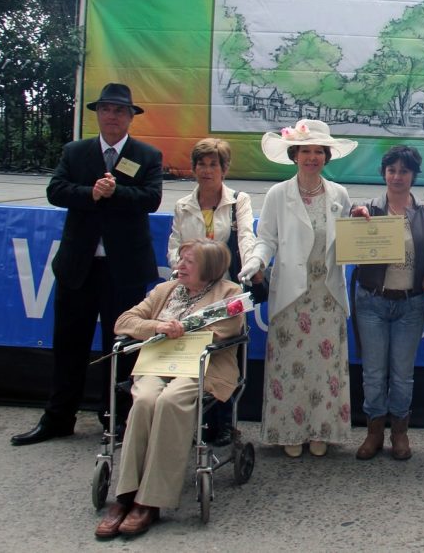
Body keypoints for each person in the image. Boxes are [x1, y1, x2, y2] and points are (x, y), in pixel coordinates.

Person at [11, 83, 163, 446]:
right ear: (98, 114)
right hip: (79, 266)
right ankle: (59, 417)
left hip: (122, 268)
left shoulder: (146, 154)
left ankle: (119, 418)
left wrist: (116, 193)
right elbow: (55, 190)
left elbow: (151, 199)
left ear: (130, 117)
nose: (113, 116)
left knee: (123, 345)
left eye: (120, 111)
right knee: (69, 343)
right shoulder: (76, 152)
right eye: (107, 109)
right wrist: (90, 194)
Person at [93, 239, 244, 538]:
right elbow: (124, 321)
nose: (180, 264)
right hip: (157, 364)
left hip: (202, 368)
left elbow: (227, 330)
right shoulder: (165, 290)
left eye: (189, 260)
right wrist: (157, 327)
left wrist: (182, 328)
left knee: (171, 401)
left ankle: (149, 502)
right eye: (181, 259)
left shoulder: (229, 293)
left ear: (209, 268)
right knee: (146, 399)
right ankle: (126, 496)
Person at [238, 119, 357, 458]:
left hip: (328, 295)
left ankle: (322, 429)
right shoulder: (278, 194)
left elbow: (349, 241)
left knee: (324, 368)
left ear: (327, 156)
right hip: (291, 294)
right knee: (289, 366)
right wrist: (256, 262)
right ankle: (289, 430)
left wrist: (362, 220)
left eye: (319, 151)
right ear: (294, 154)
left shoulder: (339, 195)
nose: (312, 157)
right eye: (306, 150)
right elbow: (267, 240)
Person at [349, 145, 424, 460]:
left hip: (410, 304)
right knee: (374, 372)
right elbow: (348, 244)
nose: (397, 176)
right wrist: (354, 222)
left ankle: (400, 432)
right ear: (383, 174)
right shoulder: (366, 210)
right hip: (371, 303)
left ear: (414, 175)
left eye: (404, 171)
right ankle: (374, 430)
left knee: (403, 373)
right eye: (391, 170)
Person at [168, 137, 262, 446]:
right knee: (190, 356)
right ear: (194, 168)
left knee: (224, 356)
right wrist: (184, 268)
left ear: (224, 168)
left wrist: (251, 264)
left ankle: (223, 423)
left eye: (213, 165)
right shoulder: (183, 206)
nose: (207, 171)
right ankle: (186, 421)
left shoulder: (239, 201)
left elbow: (247, 237)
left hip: (226, 292)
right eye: (201, 164)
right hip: (191, 293)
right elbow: (174, 249)